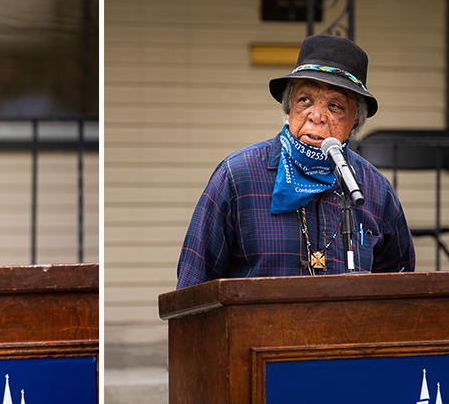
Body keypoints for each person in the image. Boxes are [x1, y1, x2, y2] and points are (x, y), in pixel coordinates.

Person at [176, 34, 415, 289]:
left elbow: (398, 290)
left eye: (335, 106)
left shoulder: (373, 189)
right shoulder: (237, 176)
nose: (316, 116)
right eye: (305, 101)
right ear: (289, 107)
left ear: (355, 120)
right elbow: (193, 287)